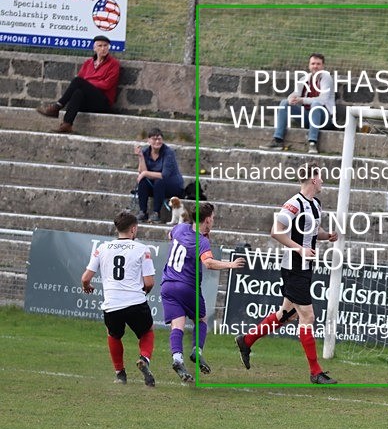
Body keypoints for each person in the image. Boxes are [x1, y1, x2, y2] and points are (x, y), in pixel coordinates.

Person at [235, 163, 339, 384]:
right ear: (313, 179)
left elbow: (312, 232)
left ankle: (246, 340)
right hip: (294, 267)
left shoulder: (316, 204)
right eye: (320, 176)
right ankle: (315, 372)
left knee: (286, 314)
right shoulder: (293, 204)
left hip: (305, 267)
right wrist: (299, 248)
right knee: (308, 317)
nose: (322, 180)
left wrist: (327, 235)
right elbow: (276, 231)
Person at [161, 202, 245, 382]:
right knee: (201, 320)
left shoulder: (180, 227)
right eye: (212, 219)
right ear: (207, 220)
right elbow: (208, 263)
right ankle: (196, 352)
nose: (213, 221)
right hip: (187, 286)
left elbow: (170, 235)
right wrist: (230, 264)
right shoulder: (202, 241)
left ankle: (177, 358)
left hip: (168, 285)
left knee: (177, 325)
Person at [80, 211, 157, 387]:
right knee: (147, 331)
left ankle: (120, 374)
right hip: (135, 302)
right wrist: (144, 292)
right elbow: (149, 282)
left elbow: (85, 278)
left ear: (117, 228)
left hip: (112, 304)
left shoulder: (102, 248)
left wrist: (86, 287)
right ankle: (144, 358)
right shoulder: (142, 249)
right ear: (134, 229)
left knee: (113, 335)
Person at [36, 35, 120, 134]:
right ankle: (67, 124)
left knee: (78, 82)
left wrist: (87, 83)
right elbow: (80, 81)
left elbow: (107, 84)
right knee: (78, 92)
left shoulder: (114, 64)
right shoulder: (88, 63)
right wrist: (86, 84)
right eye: (100, 46)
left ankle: (56, 107)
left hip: (102, 102)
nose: (103, 48)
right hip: (87, 102)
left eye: (105, 46)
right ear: (94, 48)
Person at [262, 53, 335, 155]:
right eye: (313, 63)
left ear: (323, 66)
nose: (315, 66)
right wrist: (291, 99)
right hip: (308, 118)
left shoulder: (326, 78)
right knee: (285, 103)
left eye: (318, 64)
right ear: (309, 65)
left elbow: (322, 100)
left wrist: (302, 100)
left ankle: (312, 143)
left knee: (316, 105)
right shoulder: (304, 79)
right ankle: (278, 140)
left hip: (324, 119)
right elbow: (295, 94)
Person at [134, 127, 185, 223]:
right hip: (155, 186)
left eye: (159, 139)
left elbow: (164, 175)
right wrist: (140, 157)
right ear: (149, 140)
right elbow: (142, 171)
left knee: (159, 181)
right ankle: (143, 212)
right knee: (143, 182)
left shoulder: (168, 153)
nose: (157, 142)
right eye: (154, 139)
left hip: (172, 186)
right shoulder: (145, 151)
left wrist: (145, 173)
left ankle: (156, 212)